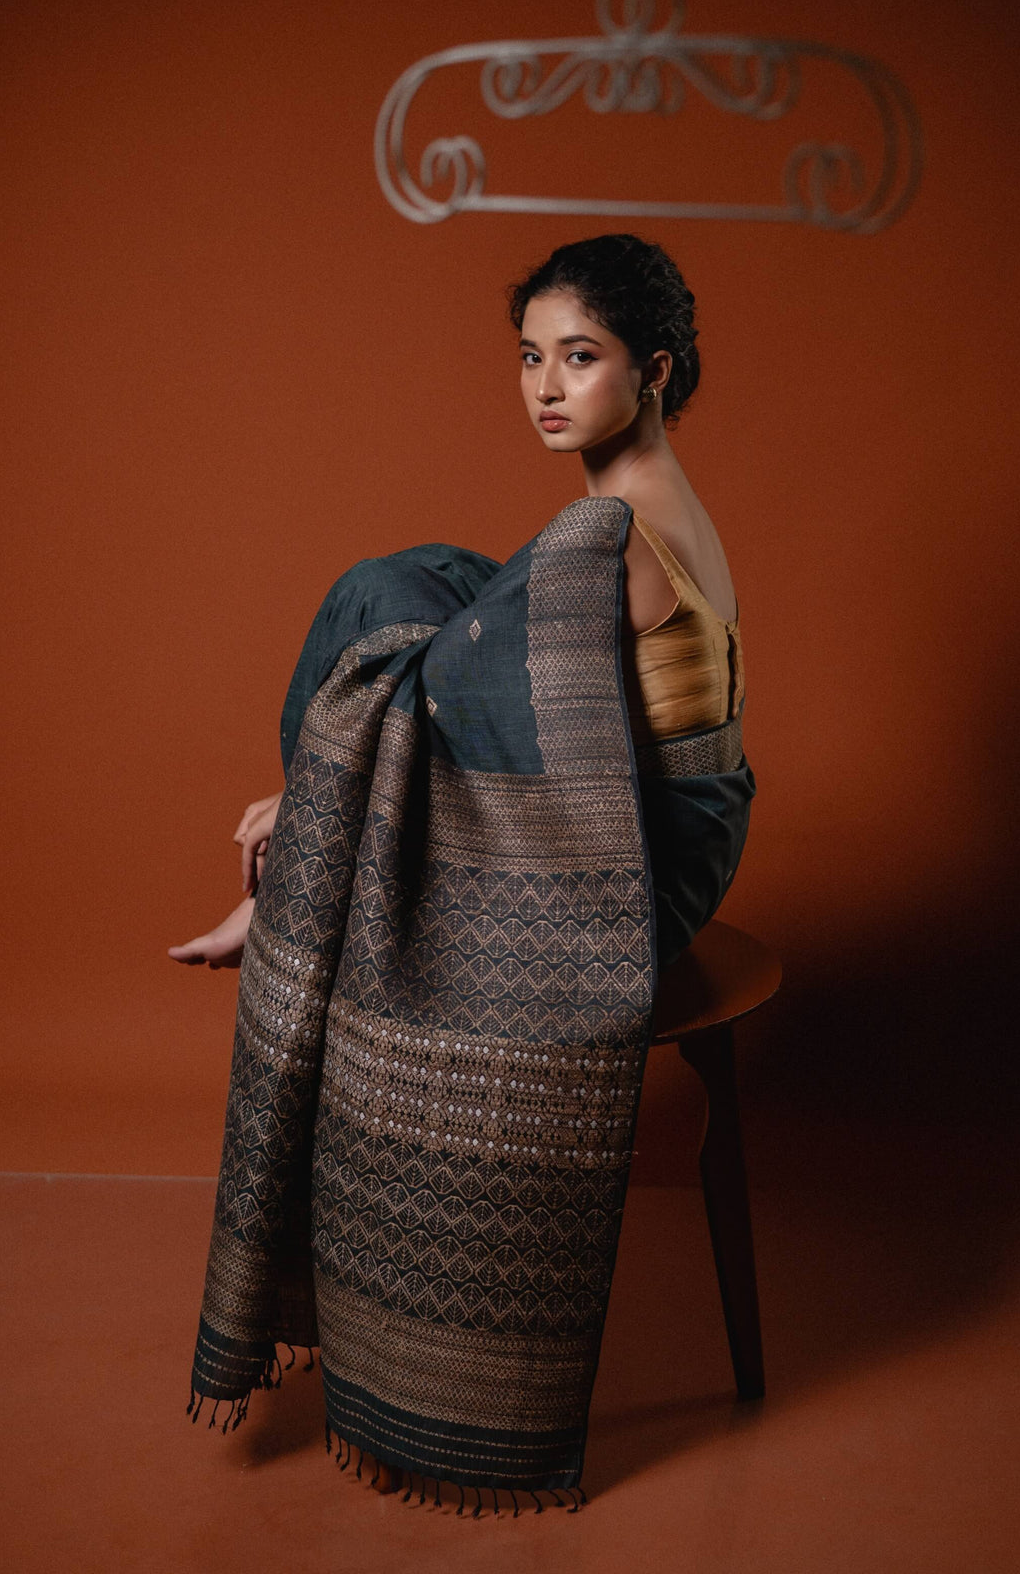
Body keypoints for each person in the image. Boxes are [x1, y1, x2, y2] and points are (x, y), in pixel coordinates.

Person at [172, 234, 754, 1514]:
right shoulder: (638, 500)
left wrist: (311, 795)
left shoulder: (613, 533)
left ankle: (290, 877)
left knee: (390, 647)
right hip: (681, 809)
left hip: (644, 861)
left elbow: (465, 698)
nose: (546, 386)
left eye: (581, 357)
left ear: (655, 369)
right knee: (397, 589)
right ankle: (301, 857)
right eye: (531, 357)